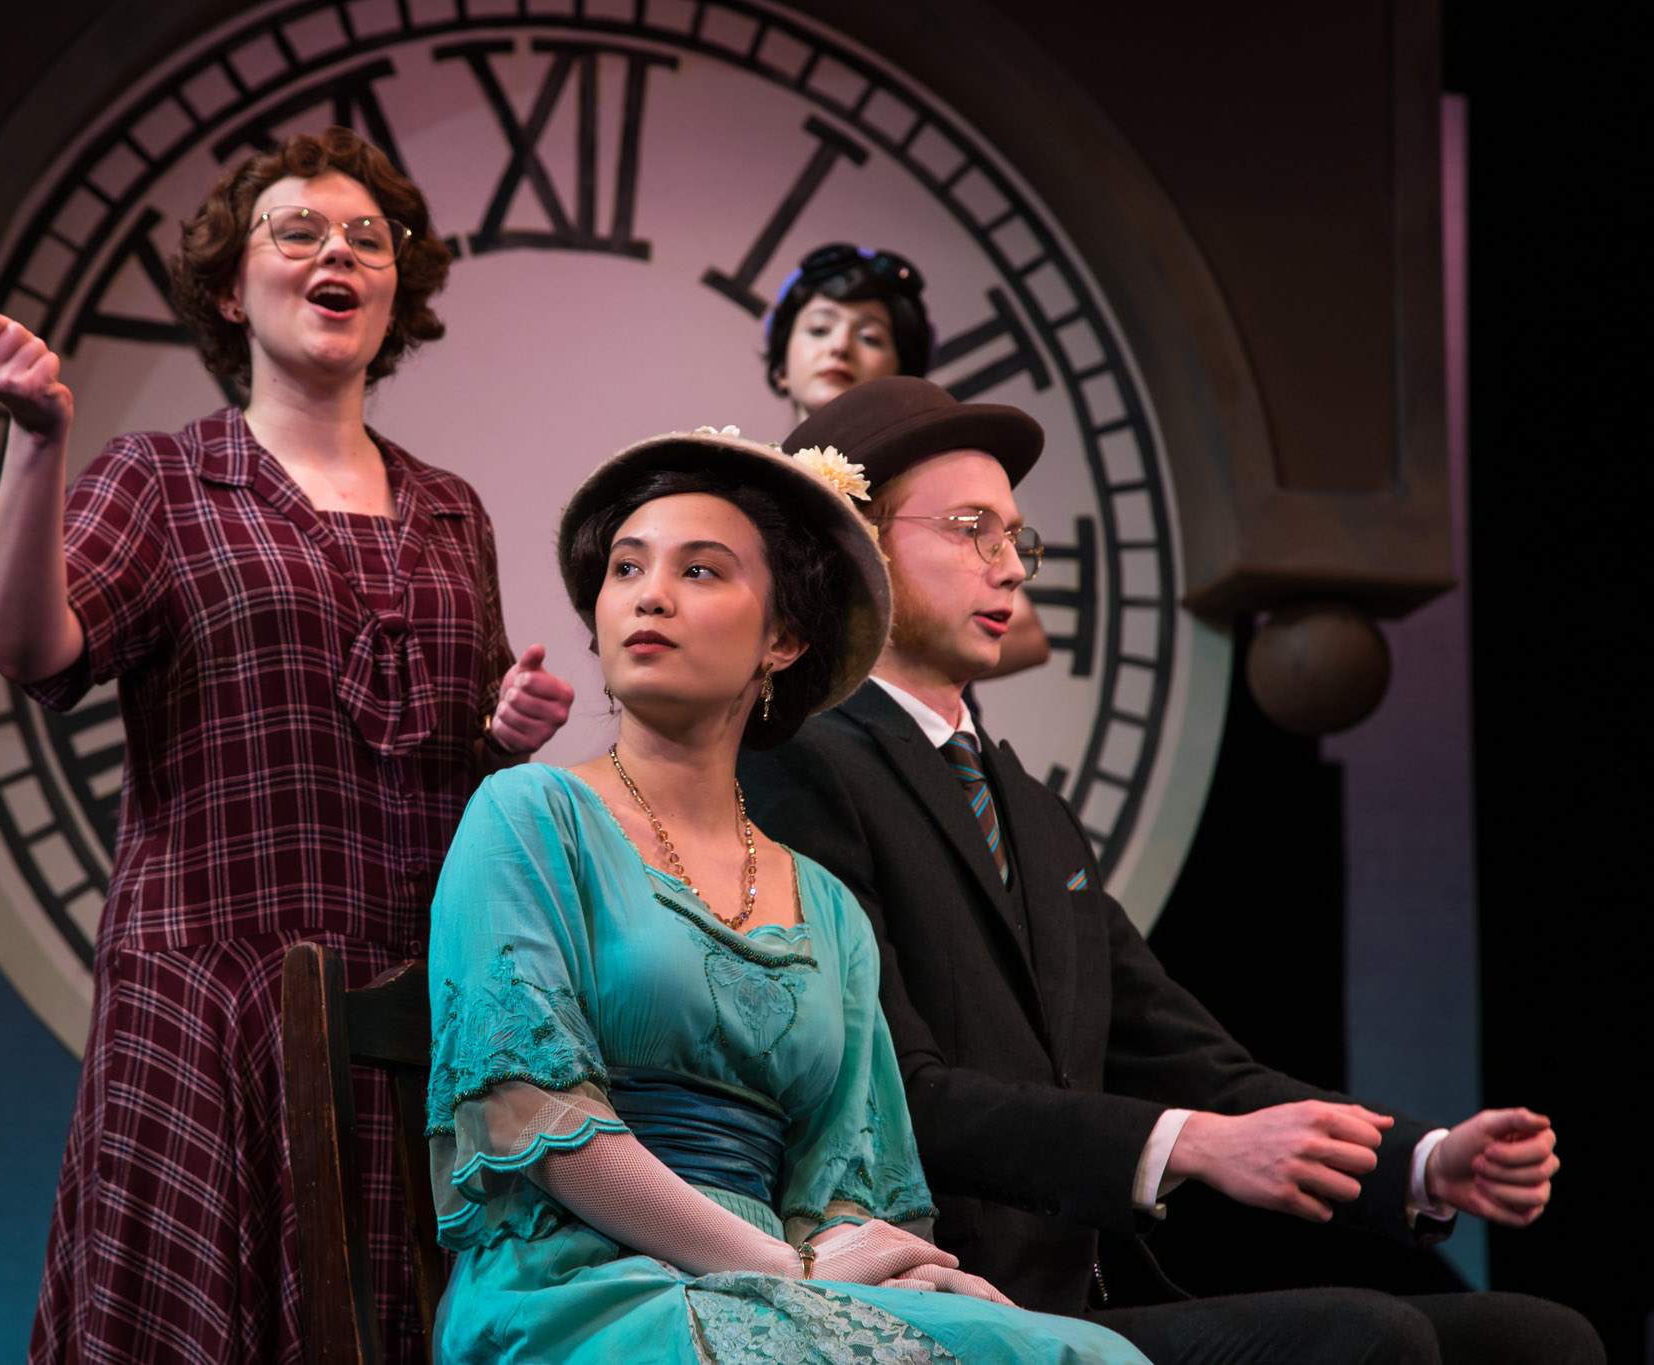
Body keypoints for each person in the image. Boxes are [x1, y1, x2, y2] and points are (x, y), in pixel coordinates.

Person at [738, 377, 1601, 1363]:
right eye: (972, 528)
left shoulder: (1032, 810)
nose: (1010, 568)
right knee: (1370, 1339)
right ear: (853, 548)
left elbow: (1185, 1058)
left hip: (1075, 1297)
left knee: (1537, 1337)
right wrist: (1181, 1143)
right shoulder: (797, 765)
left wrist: (1418, 1163)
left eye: (1017, 539)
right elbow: (894, 1093)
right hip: (933, 1299)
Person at [0, 126, 574, 1363]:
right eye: (296, 231)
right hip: (213, 1009)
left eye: (367, 238)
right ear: (230, 289)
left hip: (408, 1014)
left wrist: (506, 733)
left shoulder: (452, 507)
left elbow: (452, 762)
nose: (335, 253)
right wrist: (36, 442)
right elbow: (36, 652)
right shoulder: (162, 479)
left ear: (396, 292)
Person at [423, 424, 1154, 1364]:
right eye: (626, 568)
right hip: (582, 1282)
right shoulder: (528, 816)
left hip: (784, 1281)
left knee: (1088, 1357)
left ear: (784, 639)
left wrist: (898, 1275)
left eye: (700, 572)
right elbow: (539, 1118)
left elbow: (849, 1182)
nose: (648, 594)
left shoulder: (825, 903)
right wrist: (785, 1271)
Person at [762, 242, 1049, 683]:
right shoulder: (755, 488)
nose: (839, 347)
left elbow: (1025, 633)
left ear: (903, 371)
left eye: (871, 337)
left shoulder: (933, 483)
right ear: (781, 365)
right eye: (819, 330)